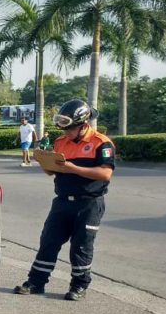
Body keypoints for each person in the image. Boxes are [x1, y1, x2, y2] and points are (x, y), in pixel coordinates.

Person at [14, 99, 115, 301]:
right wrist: (43, 160)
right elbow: (51, 171)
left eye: (70, 129)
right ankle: (36, 282)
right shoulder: (60, 142)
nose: (66, 133)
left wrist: (73, 168)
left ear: (83, 125)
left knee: (81, 246)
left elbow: (105, 174)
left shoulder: (101, 143)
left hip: (89, 203)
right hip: (62, 202)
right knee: (48, 241)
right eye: (64, 129)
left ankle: (79, 286)